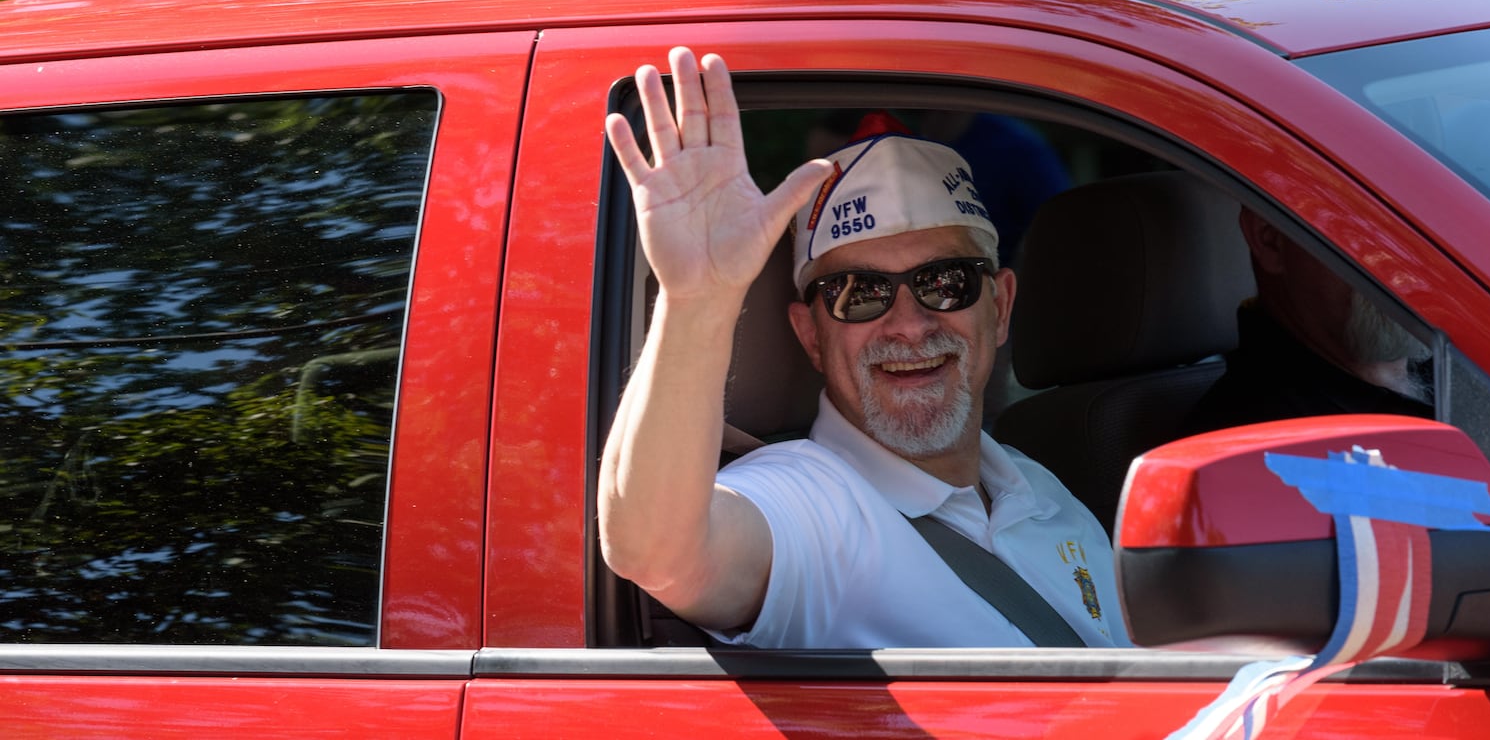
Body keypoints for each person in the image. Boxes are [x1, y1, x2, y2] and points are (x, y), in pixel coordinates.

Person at [598, 47, 1127, 649]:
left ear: (999, 307)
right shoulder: (812, 504)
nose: (908, 324)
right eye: (859, 292)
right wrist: (698, 300)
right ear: (810, 336)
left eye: (945, 281)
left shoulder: (1043, 492)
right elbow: (658, 552)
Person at [1176, 207, 1433, 438]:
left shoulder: (1458, 372)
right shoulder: (1257, 450)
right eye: (1366, 227)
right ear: (1270, 240)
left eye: (1419, 226)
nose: (1403, 259)